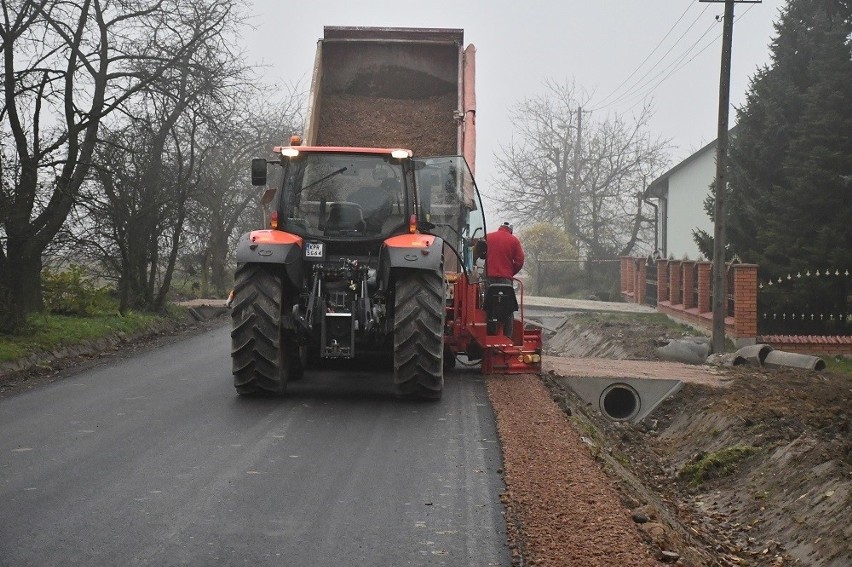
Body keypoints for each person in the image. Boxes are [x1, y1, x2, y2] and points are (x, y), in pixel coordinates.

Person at [485, 221, 525, 338]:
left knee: (488, 305)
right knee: (508, 308)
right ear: (510, 230)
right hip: (505, 279)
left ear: (500, 228)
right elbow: (519, 261)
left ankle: (489, 334)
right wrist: (511, 272)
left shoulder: (488, 237)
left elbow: (479, 254)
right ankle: (507, 337)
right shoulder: (514, 240)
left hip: (489, 277)